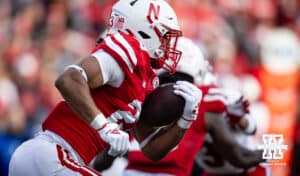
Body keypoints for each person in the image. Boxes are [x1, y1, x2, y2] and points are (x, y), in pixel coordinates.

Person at [9, 0, 202, 176]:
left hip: (60, 159)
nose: (168, 46)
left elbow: (151, 150)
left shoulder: (144, 79)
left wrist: (185, 120)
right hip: (50, 155)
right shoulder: (129, 49)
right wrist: (105, 127)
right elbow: (68, 80)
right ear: (144, 29)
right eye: (165, 37)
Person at [93, 37, 265, 176]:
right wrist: (274, 150)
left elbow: (101, 163)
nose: (173, 88)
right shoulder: (138, 102)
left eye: (181, 80)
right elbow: (239, 156)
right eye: (167, 80)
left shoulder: (138, 99)